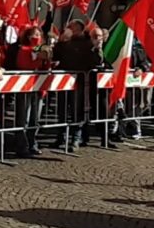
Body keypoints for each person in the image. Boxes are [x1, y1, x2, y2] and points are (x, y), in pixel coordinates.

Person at [52, 20, 101, 150]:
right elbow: (55, 56)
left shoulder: (87, 43)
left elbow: (95, 61)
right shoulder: (65, 43)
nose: (69, 29)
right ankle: (61, 137)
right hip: (64, 82)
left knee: (77, 111)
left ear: (79, 28)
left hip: (80, 82)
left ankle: (75, 139)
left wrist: (97, 49)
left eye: (71, 27)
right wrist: (59, 42)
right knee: (62, 111)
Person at [7, 27, 52, 157]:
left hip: (38, 89)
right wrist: (36, 56)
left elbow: (45, 67)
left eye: (38, 34)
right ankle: (21, 145)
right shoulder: (23, 50)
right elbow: (24, 63)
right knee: (23, 118)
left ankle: (32, 143)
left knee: (35, 118)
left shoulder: (43, 49)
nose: (36, 37)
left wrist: (46, 60)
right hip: (25, 88)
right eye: (34, 34)